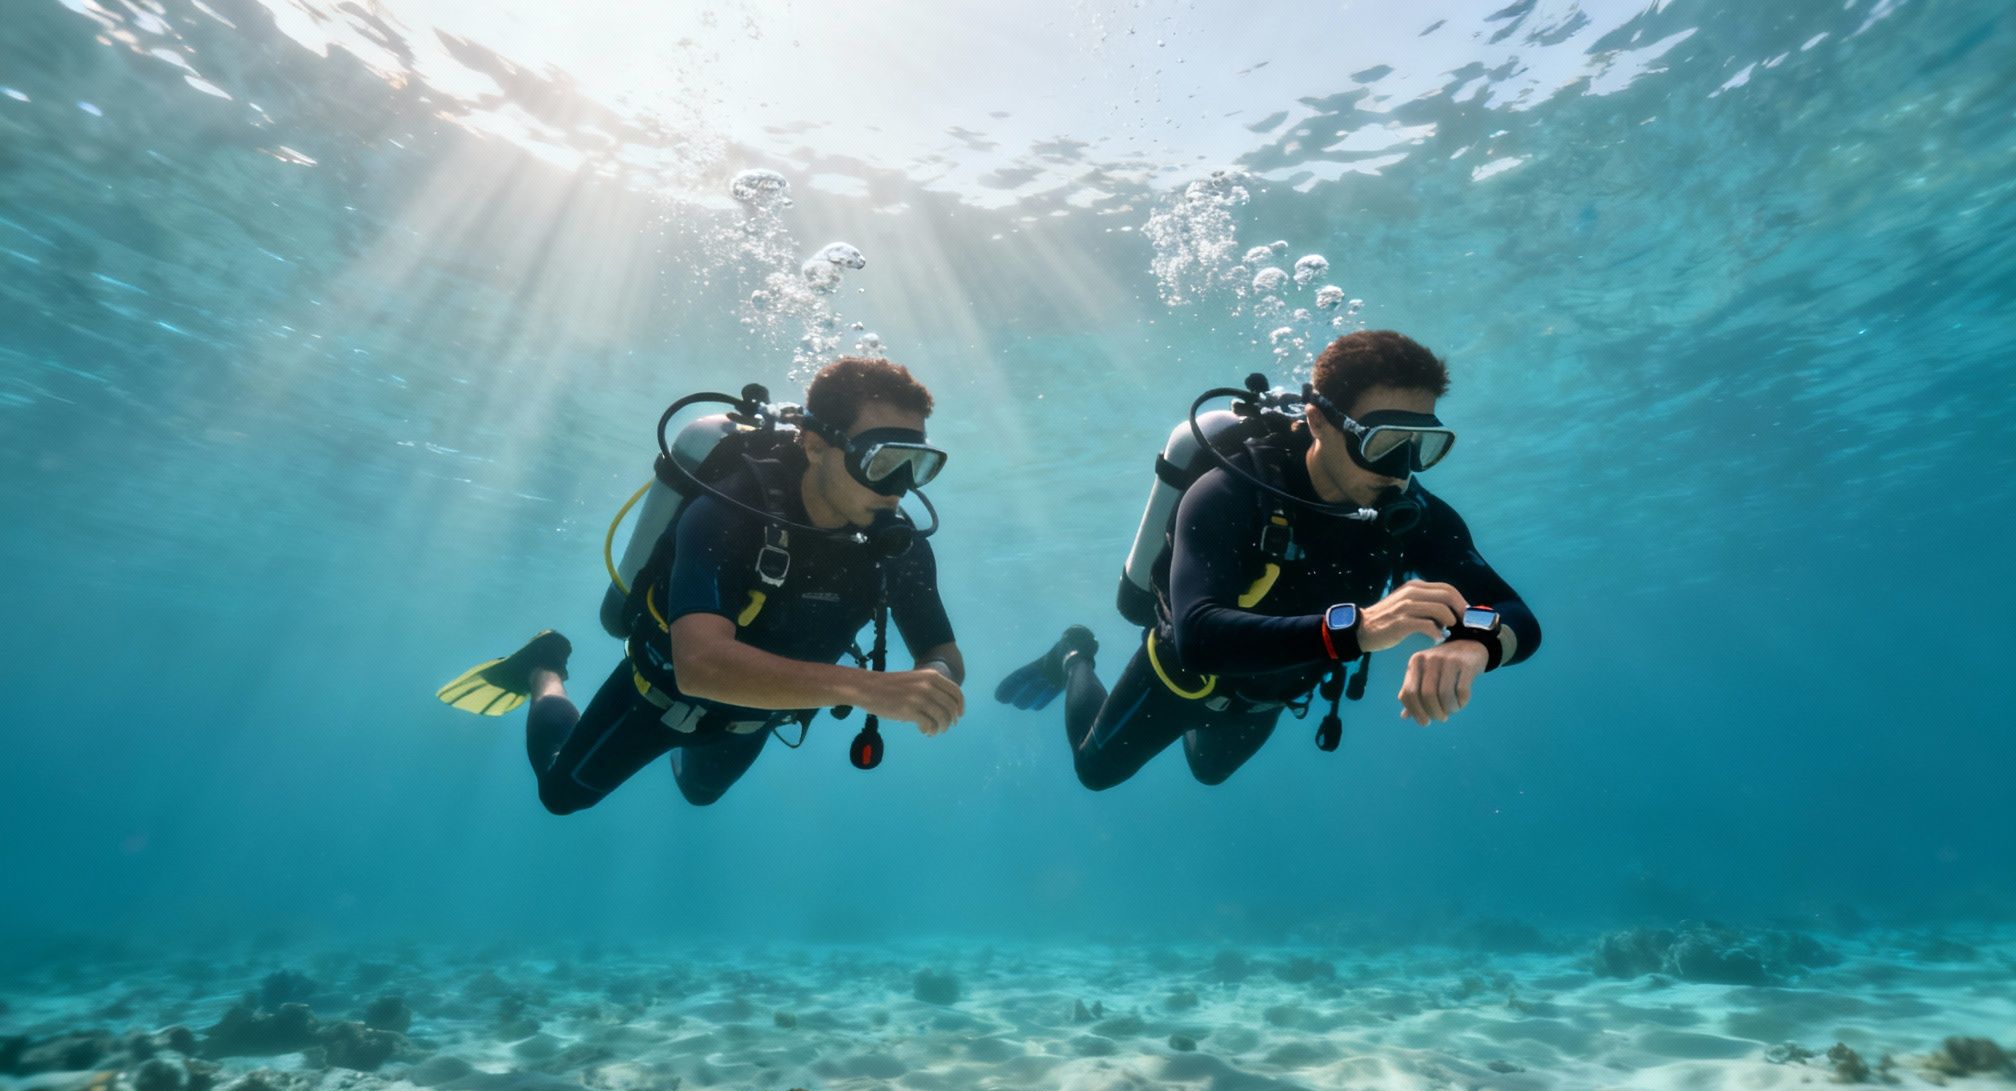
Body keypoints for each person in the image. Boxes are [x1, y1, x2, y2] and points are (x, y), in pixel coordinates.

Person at [996, 330, 1539, 790]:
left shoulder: (1411, 512)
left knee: (1209, 773)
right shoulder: (1229, 492)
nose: (1401, 469)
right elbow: (1199, 635)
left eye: (1422, 445)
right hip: (1181, 678)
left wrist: (1476, 644)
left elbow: (1515, 614)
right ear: (1320, 421)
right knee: (1095, 771)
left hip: (1270, 694)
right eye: (1382, 443)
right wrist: (1358, 629)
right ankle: (1074, 654)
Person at [436, 358, 966, 812]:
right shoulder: (726, 514)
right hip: (656, 696)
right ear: (814, 446)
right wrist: (871, 688)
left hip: (755, 718)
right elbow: (701, 667)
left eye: (916, 465)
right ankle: (544, 666)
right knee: (560, 795)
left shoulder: (897, 546)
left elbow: (941, 651)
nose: (899, 490)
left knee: (699, 794)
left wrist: (932, 680)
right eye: (880, 462)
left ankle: (684, 752)